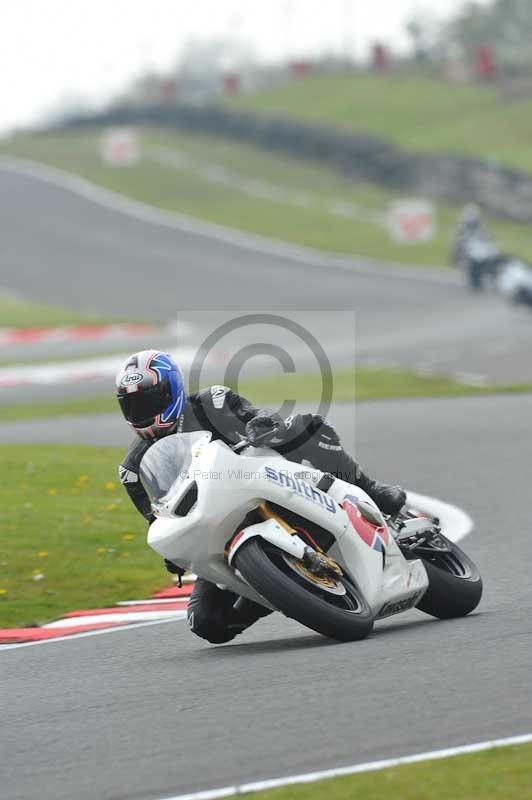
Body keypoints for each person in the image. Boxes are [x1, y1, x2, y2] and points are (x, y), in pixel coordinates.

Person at [116, 350, 406, 644]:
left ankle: (370, 489)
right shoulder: (133, 470)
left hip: (266, 478)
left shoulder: (210, 403)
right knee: (206, 622)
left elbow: (258, 417)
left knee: (306, 427)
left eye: (148, 400)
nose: (141, 410)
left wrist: (263, 424)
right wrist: (174, 554)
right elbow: (157, 517)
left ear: (172, 390)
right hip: (216, 525)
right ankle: (276, 589)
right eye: (132, 405)